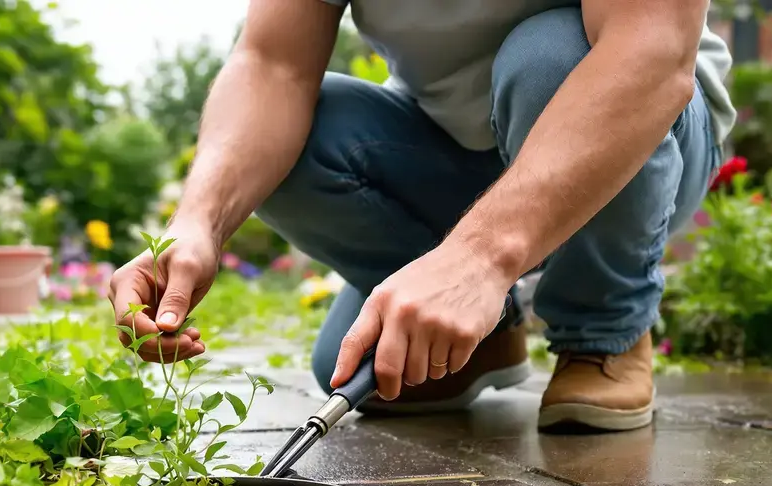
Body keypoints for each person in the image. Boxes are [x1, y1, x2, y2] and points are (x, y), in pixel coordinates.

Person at [107, 0, 733, 433]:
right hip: (452, 149)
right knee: (303, 150)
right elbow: (272, 64)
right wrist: (199, 222)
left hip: (637, 141)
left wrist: (479, 258)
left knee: (548, 55)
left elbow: (649, 53)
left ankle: (605, 330)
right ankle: (485, 332)